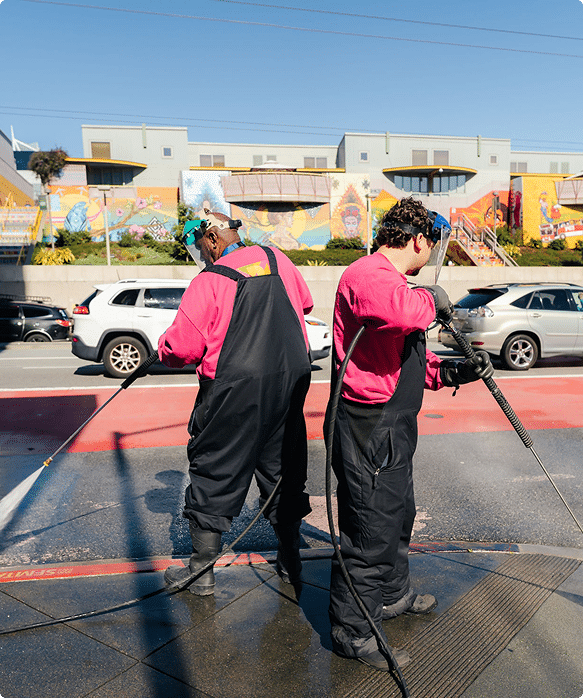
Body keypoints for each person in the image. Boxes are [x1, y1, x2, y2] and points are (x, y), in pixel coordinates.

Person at [326, 197, 493, 671]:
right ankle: (352, 631)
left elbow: (405, 355)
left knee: (398, 517)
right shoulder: (368, 274)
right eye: (432, 246)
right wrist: (432, 300)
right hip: (368, 425)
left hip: (395, 425)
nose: (430, 256)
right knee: (370, 532)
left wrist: (454, 371)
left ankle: (392, 596)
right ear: (418, 240)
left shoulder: (394, 283)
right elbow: (402, 314)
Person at [159, 209, 313, 595]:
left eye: (200, 246)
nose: (202, 254)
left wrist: (162, 349)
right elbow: (305, 305)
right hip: (290, 382)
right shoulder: (278, 258)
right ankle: (291, 562)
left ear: (212, 239)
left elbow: (182, 347)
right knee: (283, 471)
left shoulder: (211, 279)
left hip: (234, 389)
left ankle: (201, 573)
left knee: (216, 469)